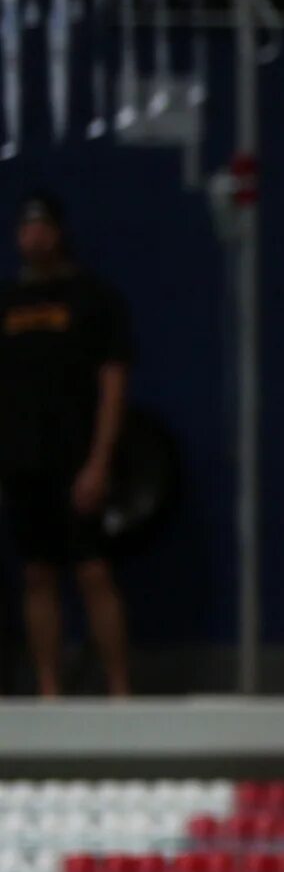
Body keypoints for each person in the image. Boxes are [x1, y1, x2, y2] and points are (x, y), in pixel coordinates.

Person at [0, 194, 133, 697]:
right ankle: (49, 692)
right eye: (25, 228)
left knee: (94, 573)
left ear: (59, 233)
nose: (34, 237)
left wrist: (100, 462)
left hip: (79, 461)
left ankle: (121, 692)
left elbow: (114, 382)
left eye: (43, 228)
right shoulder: (6, 302)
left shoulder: (93, 297)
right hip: (22, 463)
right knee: (37, 574)